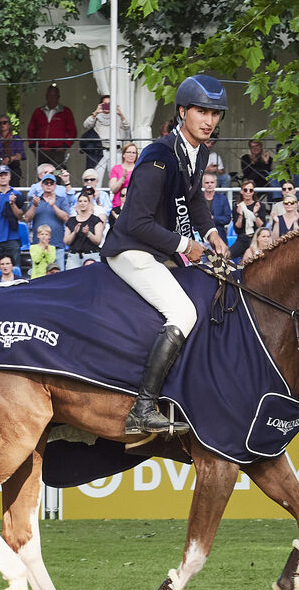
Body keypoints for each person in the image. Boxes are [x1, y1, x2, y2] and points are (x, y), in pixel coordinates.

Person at [99, 75, 233, 434]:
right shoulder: (158, 156)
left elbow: (194, 198)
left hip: (160, 250)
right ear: (182, 112)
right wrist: (186, 245)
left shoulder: (200, 151)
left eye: (215, 114)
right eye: (202, 112)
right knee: (183, 312)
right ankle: (142, 408)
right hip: (132, 249)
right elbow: (138, 222)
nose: (209, 120)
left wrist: (212, 233)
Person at [26, 84, 77, 167]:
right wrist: (32, 145)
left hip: (58, 150)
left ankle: (59, 176)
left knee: (57, 171)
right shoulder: (38, 111)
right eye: (50, 95)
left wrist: (66, 145)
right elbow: (31, 129)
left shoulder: (65, 111)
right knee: (42, 172)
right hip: (41, 150)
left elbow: (72, 131)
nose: (52, 98)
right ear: (46, 96)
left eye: (54, 95)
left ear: (58, 97)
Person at [80, 95, 131, 172]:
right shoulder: (97, 117)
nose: (107, 106)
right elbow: (86, 125)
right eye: (105, 104)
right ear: (101, 105)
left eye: (109, 104)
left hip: (116, 151)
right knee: (97, 176)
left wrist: (120, 114)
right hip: (100, 152)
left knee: (115, 176)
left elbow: (126, 126)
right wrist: (95, 112)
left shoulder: (117, 117)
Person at [64, 192, 105, 270]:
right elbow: (66, 241)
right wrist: (74, 232)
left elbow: (98, 241)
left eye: (85, 201)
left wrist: (88, 233)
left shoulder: (96, 220)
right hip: (74, 257)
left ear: (89, 203)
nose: (82, 203)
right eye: (80, 201)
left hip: (91, 256)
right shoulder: (71, 220)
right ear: (77, 203)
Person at [230, 178, 269, 260]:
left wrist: (255, 214)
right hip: (242, 239)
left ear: (253, 192)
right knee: (228, 255)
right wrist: (240, 215)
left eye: (250, 190)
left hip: (256, 239)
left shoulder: (260, 206)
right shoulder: (237, 206)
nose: (248, 192)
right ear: (241, 191)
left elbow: (261, 226)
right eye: (245, 190)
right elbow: (237, 228)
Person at [202, 173, 232, 239]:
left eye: (212, 182)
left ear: (215, 183)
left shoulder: (223, 199)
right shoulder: (198, 200)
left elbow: (227, 218)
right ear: (203, 184)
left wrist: (213, 218)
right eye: (207, 182)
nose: (209, 185)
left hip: (219, 235)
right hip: (201, 236)